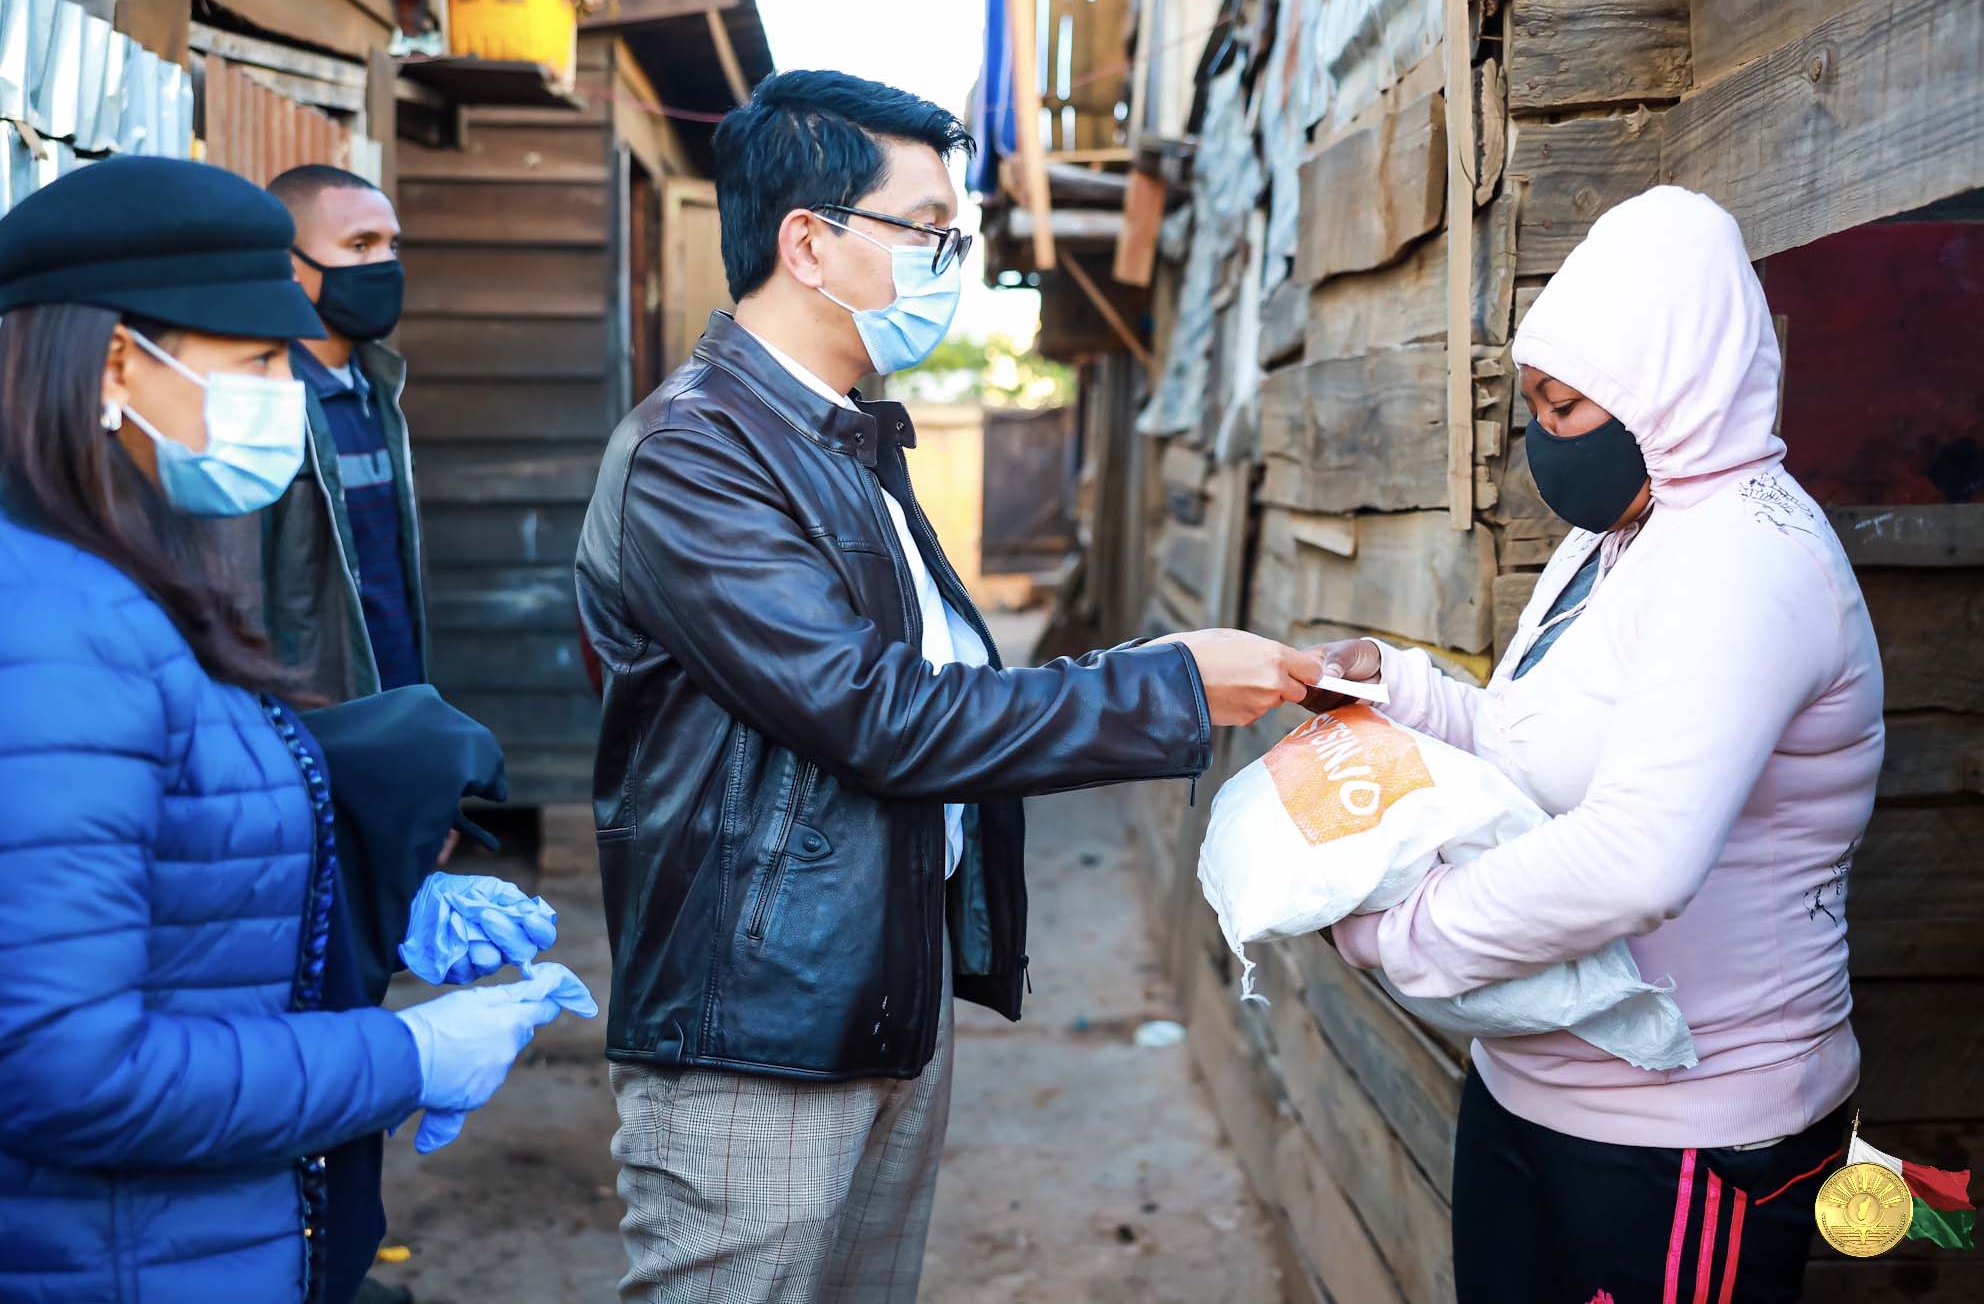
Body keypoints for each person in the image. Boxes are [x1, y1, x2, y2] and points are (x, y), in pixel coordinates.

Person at [575, 70, 1320, 1303]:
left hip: (877, 988)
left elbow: (943, 684)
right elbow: (880, 716)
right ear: (807, 242)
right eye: (925, 228)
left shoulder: (843, 435)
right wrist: (1167, 686)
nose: (950, 260)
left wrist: (1154, 679)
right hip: (754, 1031)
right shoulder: (692, 455)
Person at [0, 155, 596, 1303]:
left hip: (194, 1235)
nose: (285, 392)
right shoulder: (51, 630)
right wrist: (406, 1055)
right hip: (114, 1258)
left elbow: (158, 877)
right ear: (120, 359)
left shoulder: (128, 570)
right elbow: (61, 1067)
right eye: (258, 361)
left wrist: (361, 907)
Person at [1313, 187, 1884, 1303]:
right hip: (1532, 1084)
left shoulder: (1744, 561)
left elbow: (1636, 854)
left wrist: (1400, 937)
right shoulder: (1626, 534)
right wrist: (1400, 687)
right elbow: (1531, 739)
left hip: (1685, 1128)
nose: (1540, 442)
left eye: (1563, 407)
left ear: (1659, 388)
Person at [251, 163, 425, 704]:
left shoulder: (379, 390)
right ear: (291, 267)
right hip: (314, 727)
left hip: (395, 706)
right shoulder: (264, 402)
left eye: (392, 246)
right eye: (360, 245)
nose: (384, 264)